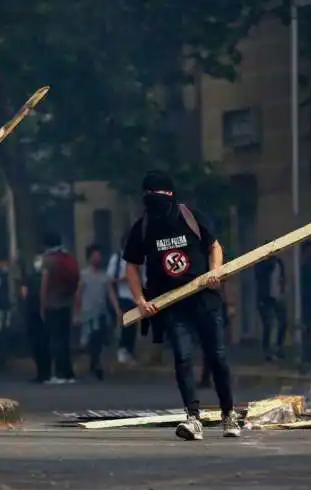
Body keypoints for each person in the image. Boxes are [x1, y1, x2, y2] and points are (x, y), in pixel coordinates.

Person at [122, 170, 240, 441]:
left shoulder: (190, 216)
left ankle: (229, 415)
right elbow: (131, 266)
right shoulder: (143, 226)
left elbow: (214, 246)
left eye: (157, 193)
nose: (154, 199)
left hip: (204, 300)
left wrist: (215, 272)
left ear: (169, 194)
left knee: (217, 358)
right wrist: (141, 301)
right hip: (172, 305)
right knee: (183, 358)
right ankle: (193, 419)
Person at [75, 244, 121, 380]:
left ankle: (96, 364)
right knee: (89, 341)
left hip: (101, 313)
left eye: (99, 256)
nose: (98, 258)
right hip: (87, 313)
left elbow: (111, 293)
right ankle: (94, 364)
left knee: (98, 340)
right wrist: (76, 313)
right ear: (89, 258)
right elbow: (78, 295)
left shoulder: (104, 276)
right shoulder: (83, 275)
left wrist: (117, 308)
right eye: (95, 256)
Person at [40, 232, 80, 384]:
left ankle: (59, 374)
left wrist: (42, 306)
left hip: (53, 305)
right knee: (65, 339)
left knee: (56, 340)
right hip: (67, 304)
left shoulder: (48, 260)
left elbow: (45, 284)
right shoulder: (67, 257)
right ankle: (68, 374)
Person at [107, 235, 144, 363]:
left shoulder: (139, 258)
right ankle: (122, 350)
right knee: (125, 325)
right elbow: (110, 279)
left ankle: (130, 351)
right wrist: (124, 279)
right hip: (122, 296)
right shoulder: (117, 259)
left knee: (133, 327)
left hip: (136, 297)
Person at [255, 255, 287, 361]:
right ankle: (267, 351)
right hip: (265, 298)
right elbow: (259, 277)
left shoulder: (279, 262)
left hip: (277, 297)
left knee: (283, 322)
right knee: (269, 324)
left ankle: (279, 347)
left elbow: (282, 278)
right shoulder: (262, 263)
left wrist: (282, 291)